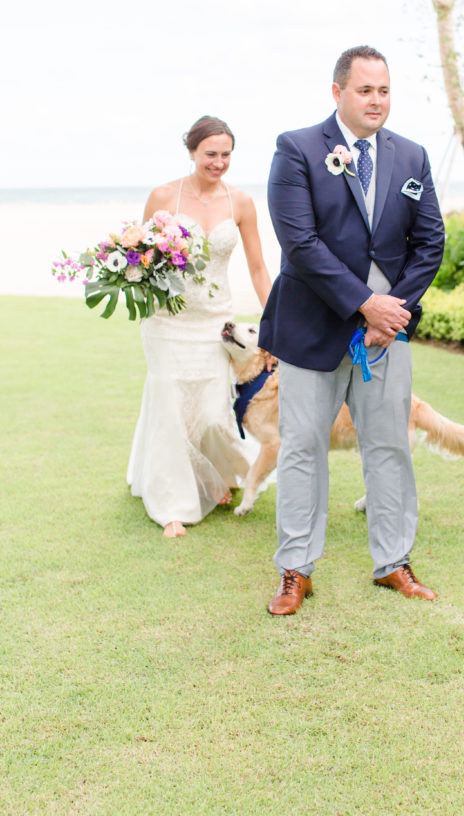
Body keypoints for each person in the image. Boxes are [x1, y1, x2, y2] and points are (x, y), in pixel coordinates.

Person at [259, 46, 445, 614]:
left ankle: (394, 563)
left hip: (387, 336)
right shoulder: (296, 149)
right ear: (337, 92)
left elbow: (430, 241)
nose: (376, 100)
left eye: (384, 90)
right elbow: (301, 244)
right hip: (312, 330)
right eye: (365, 90)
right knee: (303, 449)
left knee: (390, 447)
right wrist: (367, 303)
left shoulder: (412, 156)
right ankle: (296, 570)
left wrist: (393, 313)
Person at [127, 115, 272, 538]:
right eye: (211, 154)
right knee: (171, 408)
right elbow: (142, 260)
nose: (219, 162)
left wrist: (278, 318)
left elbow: (259, 268)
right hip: (167, 323)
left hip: (216, 322)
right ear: (191, 151)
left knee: (211, 413)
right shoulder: (163, 197)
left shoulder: (241, 203)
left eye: (226, 155)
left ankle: (219, 474)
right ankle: (172, 504)